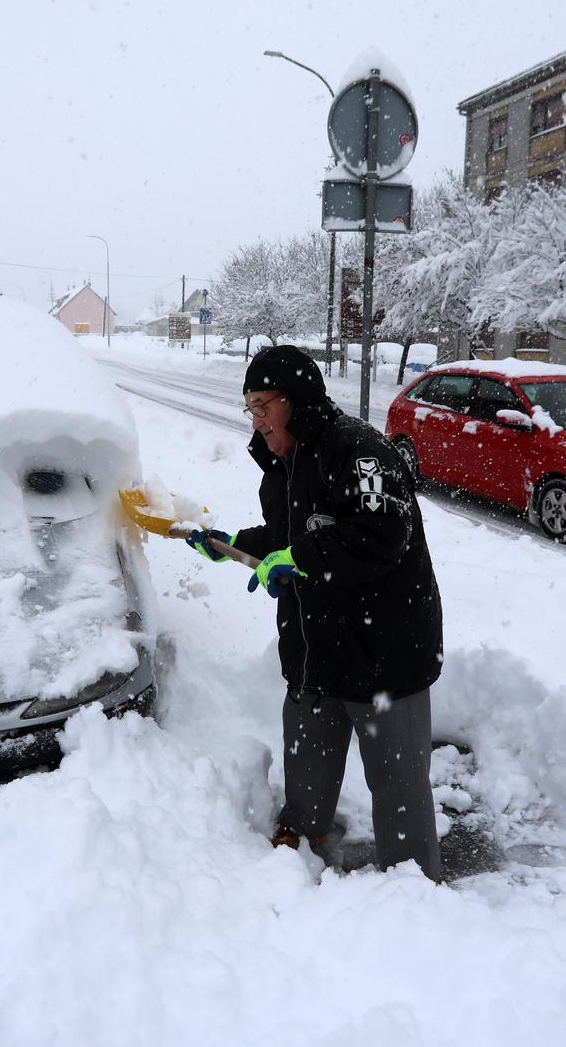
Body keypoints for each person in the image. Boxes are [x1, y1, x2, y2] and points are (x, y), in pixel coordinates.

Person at [187, 345, 444, 881]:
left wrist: (298, 557)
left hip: (384, 656)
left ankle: (414, 889)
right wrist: (236, 542)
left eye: (264, 406)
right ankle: (301, 849)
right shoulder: (284, 465)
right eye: (249, 409)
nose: (257, 422)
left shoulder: (359, 450)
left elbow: (381, 535)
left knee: (399, 788)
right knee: (306, 768)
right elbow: (290, 538)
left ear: (297, 401)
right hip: (315, 651)